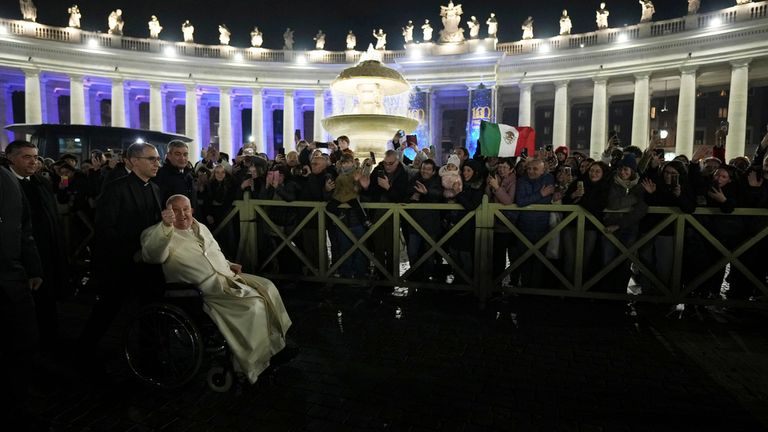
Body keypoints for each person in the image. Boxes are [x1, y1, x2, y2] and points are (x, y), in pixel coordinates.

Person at [141, 195, 292, 384]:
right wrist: (165, 226)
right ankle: (253, 364)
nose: (182, 214)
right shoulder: (157, 233)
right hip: (205, 291)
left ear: (192, 210)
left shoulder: (200, 227)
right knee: (253, 306)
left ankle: (277, 344)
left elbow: (212, 252)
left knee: (268, 287)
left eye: (185, 209)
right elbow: (152, 256)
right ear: (167, 212)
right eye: (175, 210)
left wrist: (228, 263)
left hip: (226, 275)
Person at [79, 142, 164, 350]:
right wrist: (129, 253)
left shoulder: (154, 188)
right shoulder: (116, 188)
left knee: (150, 309)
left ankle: (148, 356)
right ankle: (84, 350)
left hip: (146, 261)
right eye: (151, 159)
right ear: (134, 161)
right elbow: (105, 227)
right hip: (120, 262)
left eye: (158, 159)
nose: (157, 164)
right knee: (108, 309)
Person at [4, 141, 68, 345]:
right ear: (10, 158)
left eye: (36, 157)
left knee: (47, 299)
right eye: (27, 157)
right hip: (20, 256)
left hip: (47, 250)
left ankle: (50, 338)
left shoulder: (41, 182)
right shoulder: (7, 185)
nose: (34, 161)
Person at [0, 160, 43, 427]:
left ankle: (15, 406)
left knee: (21, 344)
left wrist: (34, 267)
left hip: (12, 276)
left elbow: (25, 230)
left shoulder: (7, 180)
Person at [155, 140, 197, 210]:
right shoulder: (160, 175)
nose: (182, 158)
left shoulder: (188, 175)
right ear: (168, 156)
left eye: (185, 154)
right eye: (178, 154)